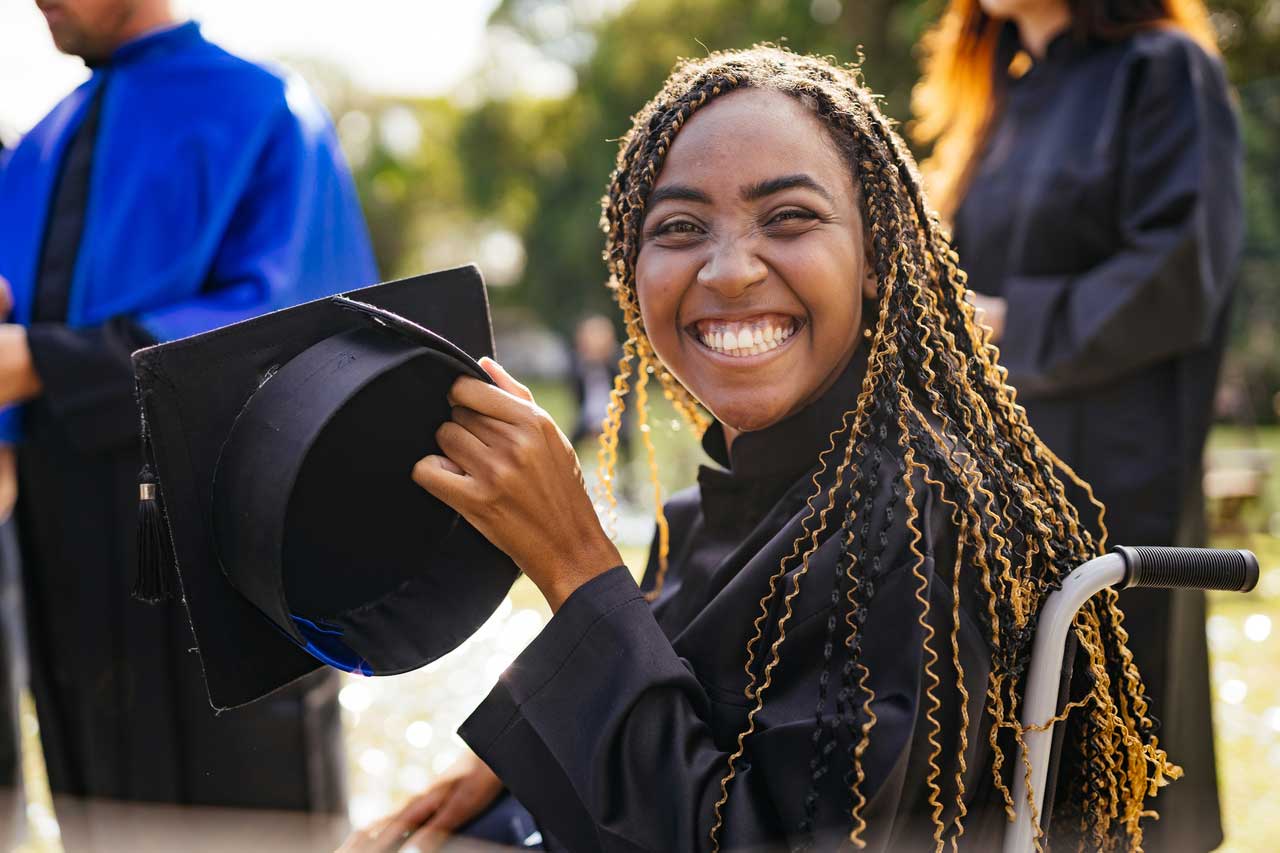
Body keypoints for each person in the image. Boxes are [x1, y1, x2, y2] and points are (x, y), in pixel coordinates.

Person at [343, 47, 1176, 852]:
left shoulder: (916, 529)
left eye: (789, 217)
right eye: (679, 226)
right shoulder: (710, 508)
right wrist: (516, 753)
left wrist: (573, 563)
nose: (731, 268)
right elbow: (671, 722)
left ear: (878, 257)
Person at [0, 0, 377, 837]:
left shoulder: (266, 110)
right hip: (63, 566)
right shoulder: (31, 151)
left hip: (226, 549)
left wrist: (39, 360)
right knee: (98, 809)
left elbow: (296, 324)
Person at [912, 2, 1242, 849]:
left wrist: (1005, 323)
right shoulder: (1001, 95)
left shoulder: (1165, 71)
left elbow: (1179, 269)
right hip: (989, 482)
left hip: (1109, 477)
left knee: (1110, 758)